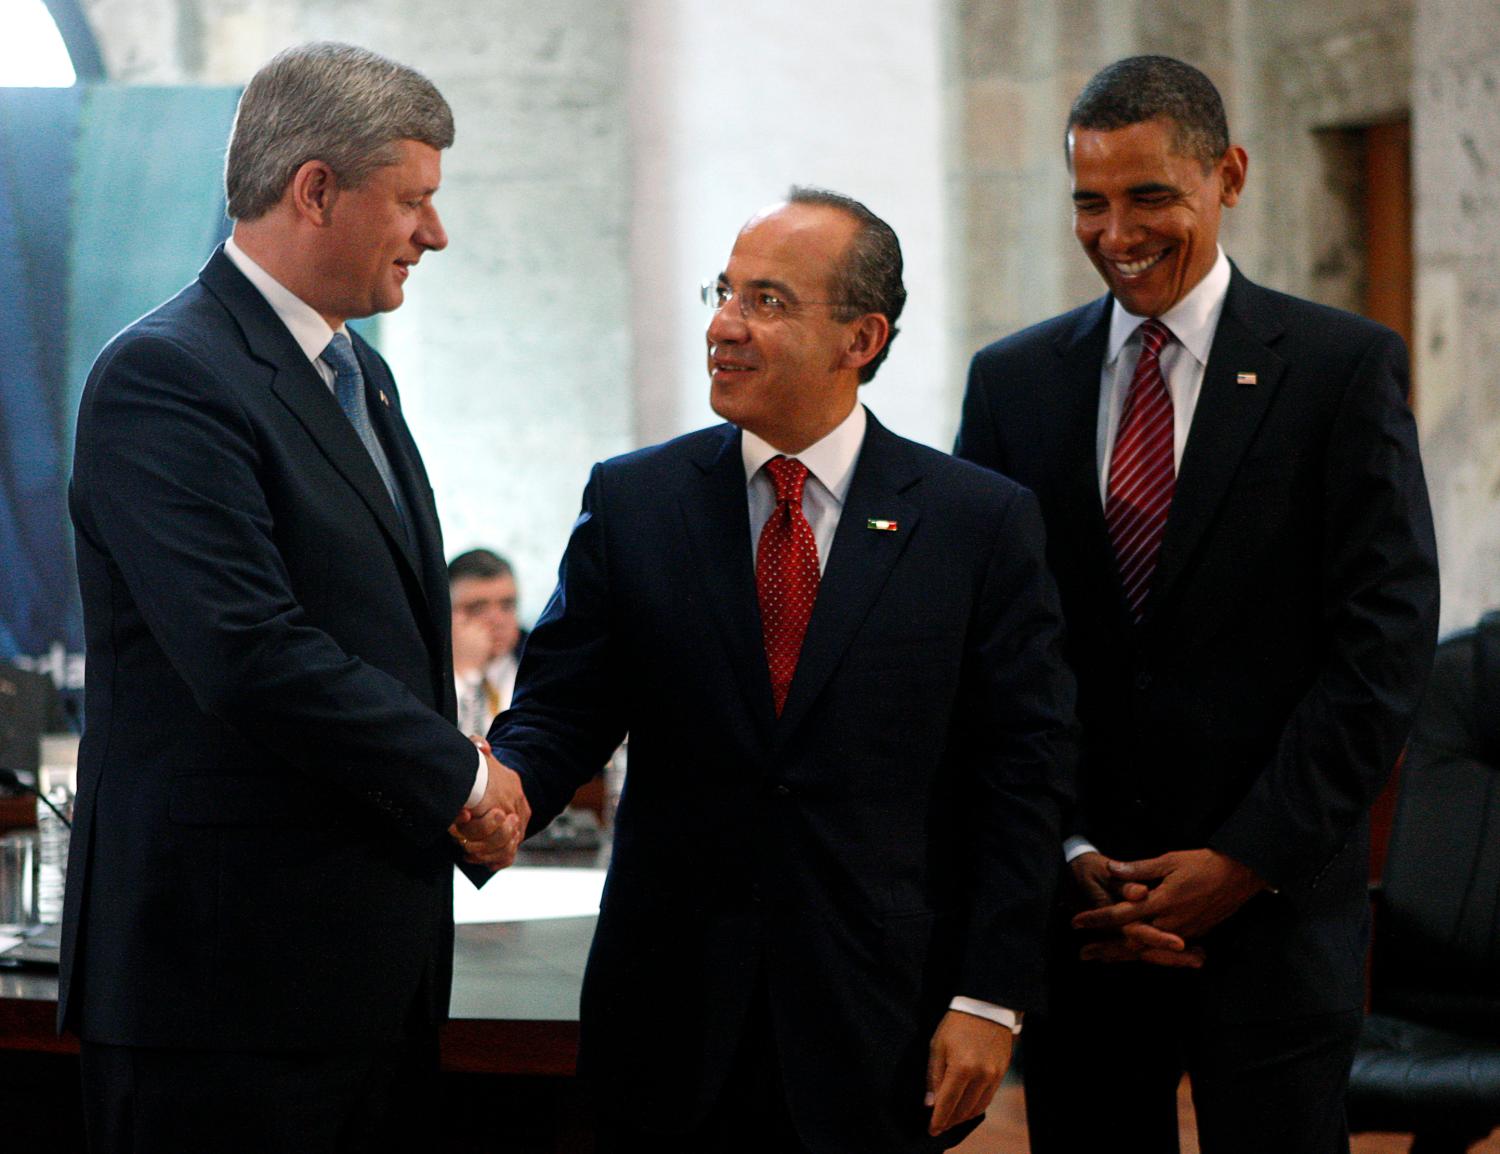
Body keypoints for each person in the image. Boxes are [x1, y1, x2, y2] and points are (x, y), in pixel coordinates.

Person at [470, 187, 1076, 1153]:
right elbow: (562, 712)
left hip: (875, 1013)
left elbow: (1022, 776)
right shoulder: (638, 502)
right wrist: (498, 793)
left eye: (767, 301)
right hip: (666, 1007)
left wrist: (990, 996)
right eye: (724, 292)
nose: (724, 324)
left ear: (860, 338)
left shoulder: (976, 523)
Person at [954, 55, 1440, 1154]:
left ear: (1229, 175)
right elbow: (991, 650)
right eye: (1090, 199)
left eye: (1149, 195)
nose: (1115, 229)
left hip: (1272, 919)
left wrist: (1242, 859)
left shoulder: (1341, 369)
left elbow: (1383, 646)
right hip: (1084, 920)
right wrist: (1069, 844)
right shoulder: (1014, 382)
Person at [64, 42, 526, 1153]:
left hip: (359, 975)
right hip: (221, 992)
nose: (436, 233)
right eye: (413, 200)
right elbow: (247, 647)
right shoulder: (168, 374)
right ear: (316, 188)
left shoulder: (361, 370)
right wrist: (460, 771)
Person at [448, 547, 526, 736]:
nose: (497, 620)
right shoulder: (423, 674)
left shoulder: (543, 664)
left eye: (507, 605)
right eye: (477, 608)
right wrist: (465, 675)